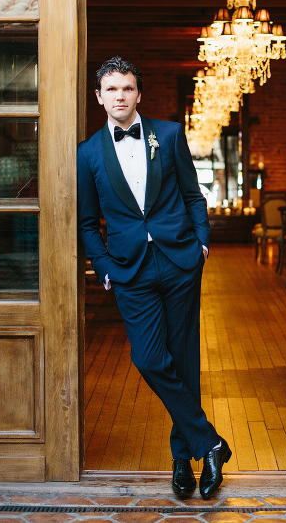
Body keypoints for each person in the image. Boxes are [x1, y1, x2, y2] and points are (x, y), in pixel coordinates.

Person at [77, 56, 231, 499]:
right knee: (148, 359)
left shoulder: (169, 134)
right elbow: (88, 222)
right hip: (129, 270)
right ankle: (212, 443)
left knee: (183, 359)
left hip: (181, 261)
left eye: (127, 88)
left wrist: (201, 241)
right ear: (100, 97)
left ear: (138, 94)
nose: (120, 97)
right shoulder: (88, 153)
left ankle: (184, 461)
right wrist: (104, 268)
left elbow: (192, 193)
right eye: (112, 90)